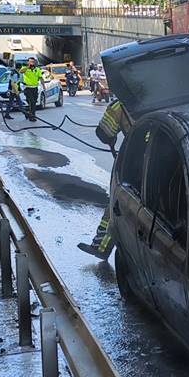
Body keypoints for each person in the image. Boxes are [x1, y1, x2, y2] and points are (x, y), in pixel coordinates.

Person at [77, 98, 134, 260]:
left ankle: (101, 246)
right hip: (172, 160)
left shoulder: (120, 104)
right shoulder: (174, 90)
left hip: (135, 162)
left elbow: (104, 133)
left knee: (116, 204)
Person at [18, 57, 44, 121]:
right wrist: (28, 66)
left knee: (34, 102)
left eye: (33, 61)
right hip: (28, 88)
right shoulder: (25, 68)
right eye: (31, 61)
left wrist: (44, 86)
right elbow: (20, 71)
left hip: (35, 88)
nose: (32, 63)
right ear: (28, 62)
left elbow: (41, 78)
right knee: (31, 102)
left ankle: (32, 114)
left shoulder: (37, 69)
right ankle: (31, 116)